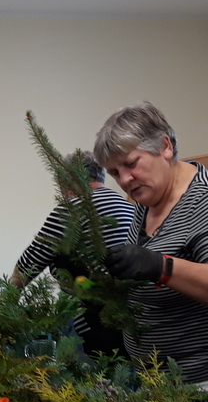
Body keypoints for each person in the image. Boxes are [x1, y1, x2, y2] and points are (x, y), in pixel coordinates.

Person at [94, 102, 208, 402]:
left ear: (165, 147)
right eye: (115, 172)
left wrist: (159, 266)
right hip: (170, 382)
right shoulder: (147, 200)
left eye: (131, 164)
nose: (125, 179)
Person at [10, 150, 135, 355]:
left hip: (91, 322)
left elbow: (30, 262)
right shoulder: (128, 207)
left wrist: (6, 303)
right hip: (130, 321)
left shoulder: (71, 209)